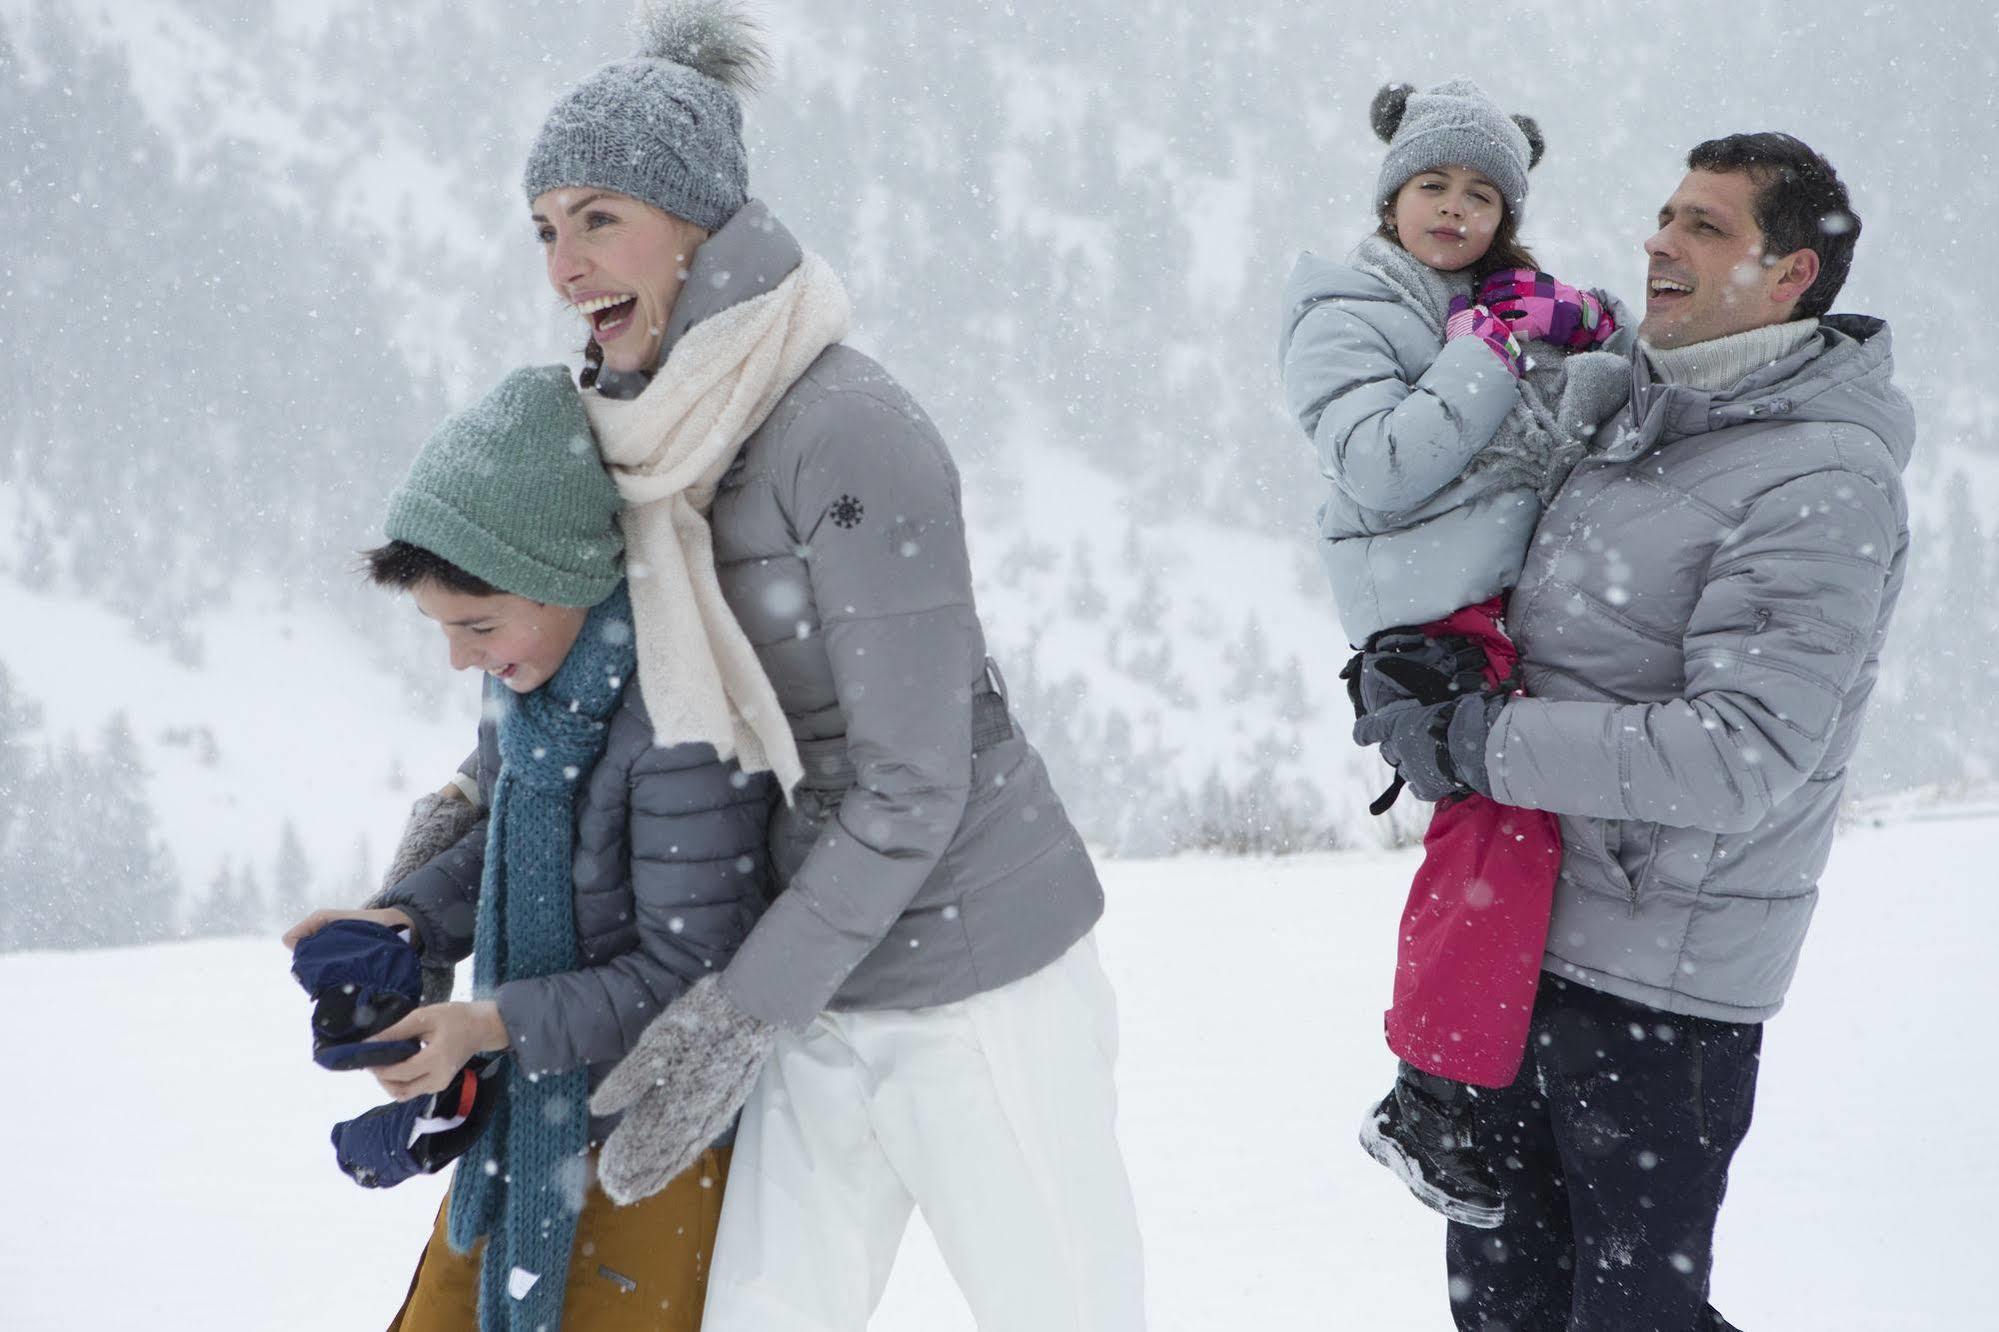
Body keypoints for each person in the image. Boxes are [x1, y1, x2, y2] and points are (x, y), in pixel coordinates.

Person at [515, 4, 1147, 1328]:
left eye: (596, 219)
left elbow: (914, 780)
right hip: (811, 973)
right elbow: (617, 700)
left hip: (980, 987)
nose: (564, 265)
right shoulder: (653, 442)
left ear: (692, 221)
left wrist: (738, 1013)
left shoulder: (841, 428)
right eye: (545, 230)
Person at [1354, 132, 1913, 1330]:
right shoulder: (1638, 418)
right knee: (1503, 1309)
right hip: (1522, 945)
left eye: (1705, 227)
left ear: (1789, 278)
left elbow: (1738, 755)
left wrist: (1478, 740)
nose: (1660, 240)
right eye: (1665, 214)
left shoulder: (1818, 481)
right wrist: (1428, 658)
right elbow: (1556, 628)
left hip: (1658, 994)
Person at [281, 364, 775, 1332]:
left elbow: (687, 979)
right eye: (443, 628)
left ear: (561, 579)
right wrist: (406, 919)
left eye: (476, 625)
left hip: (650, 1150)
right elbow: (509, 839)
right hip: (524, 1122)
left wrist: (492, 1024)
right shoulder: (531, 679)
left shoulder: (680, 722)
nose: (460, 658)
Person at [1278, 79, 1632, 1227]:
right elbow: (1384, 464)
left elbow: (1543, 437)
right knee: (1496, 834)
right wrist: (1488, 348)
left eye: (1480, 192)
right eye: (1432, 183)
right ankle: (1427, 1094)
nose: (1453, 206)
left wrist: (1596, 339)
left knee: (1526, 836)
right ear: (1391, 196)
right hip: (1425, 621)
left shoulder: (1497, 303)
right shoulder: (1342, 309)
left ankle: (1468, 1076)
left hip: (1499, 609)